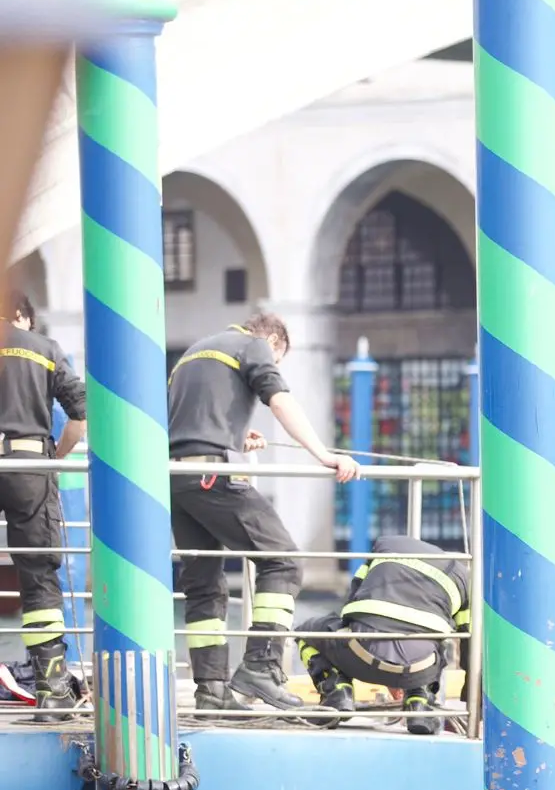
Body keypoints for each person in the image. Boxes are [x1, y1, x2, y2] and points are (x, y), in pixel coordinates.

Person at [167, 313, 358, 712]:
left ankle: (211, 691)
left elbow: (192, 420)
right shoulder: (253, 345)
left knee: (203, 584)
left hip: (176, 478)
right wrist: (324, 454)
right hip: (211, 473)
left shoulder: (193, 353)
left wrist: (234, 437)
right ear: (274, 343)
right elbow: (280, 400)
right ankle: (262, 666)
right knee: (282, 561)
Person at [0, 295, 85, 715]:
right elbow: (82, 415)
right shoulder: (44, 347)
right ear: (20, 315)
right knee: (38, 574)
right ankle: (52, 690)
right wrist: (57, 457)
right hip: (29, 464)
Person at [300, 533, 468, 735]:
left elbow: (352, 603)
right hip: (419, 669)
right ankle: (420, 704)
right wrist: (472, 698)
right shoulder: (462, 576)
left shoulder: (384, 549)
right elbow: (470, 643)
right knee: (434, 644)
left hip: (360, 655)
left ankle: (337, 691)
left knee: (306, 631)